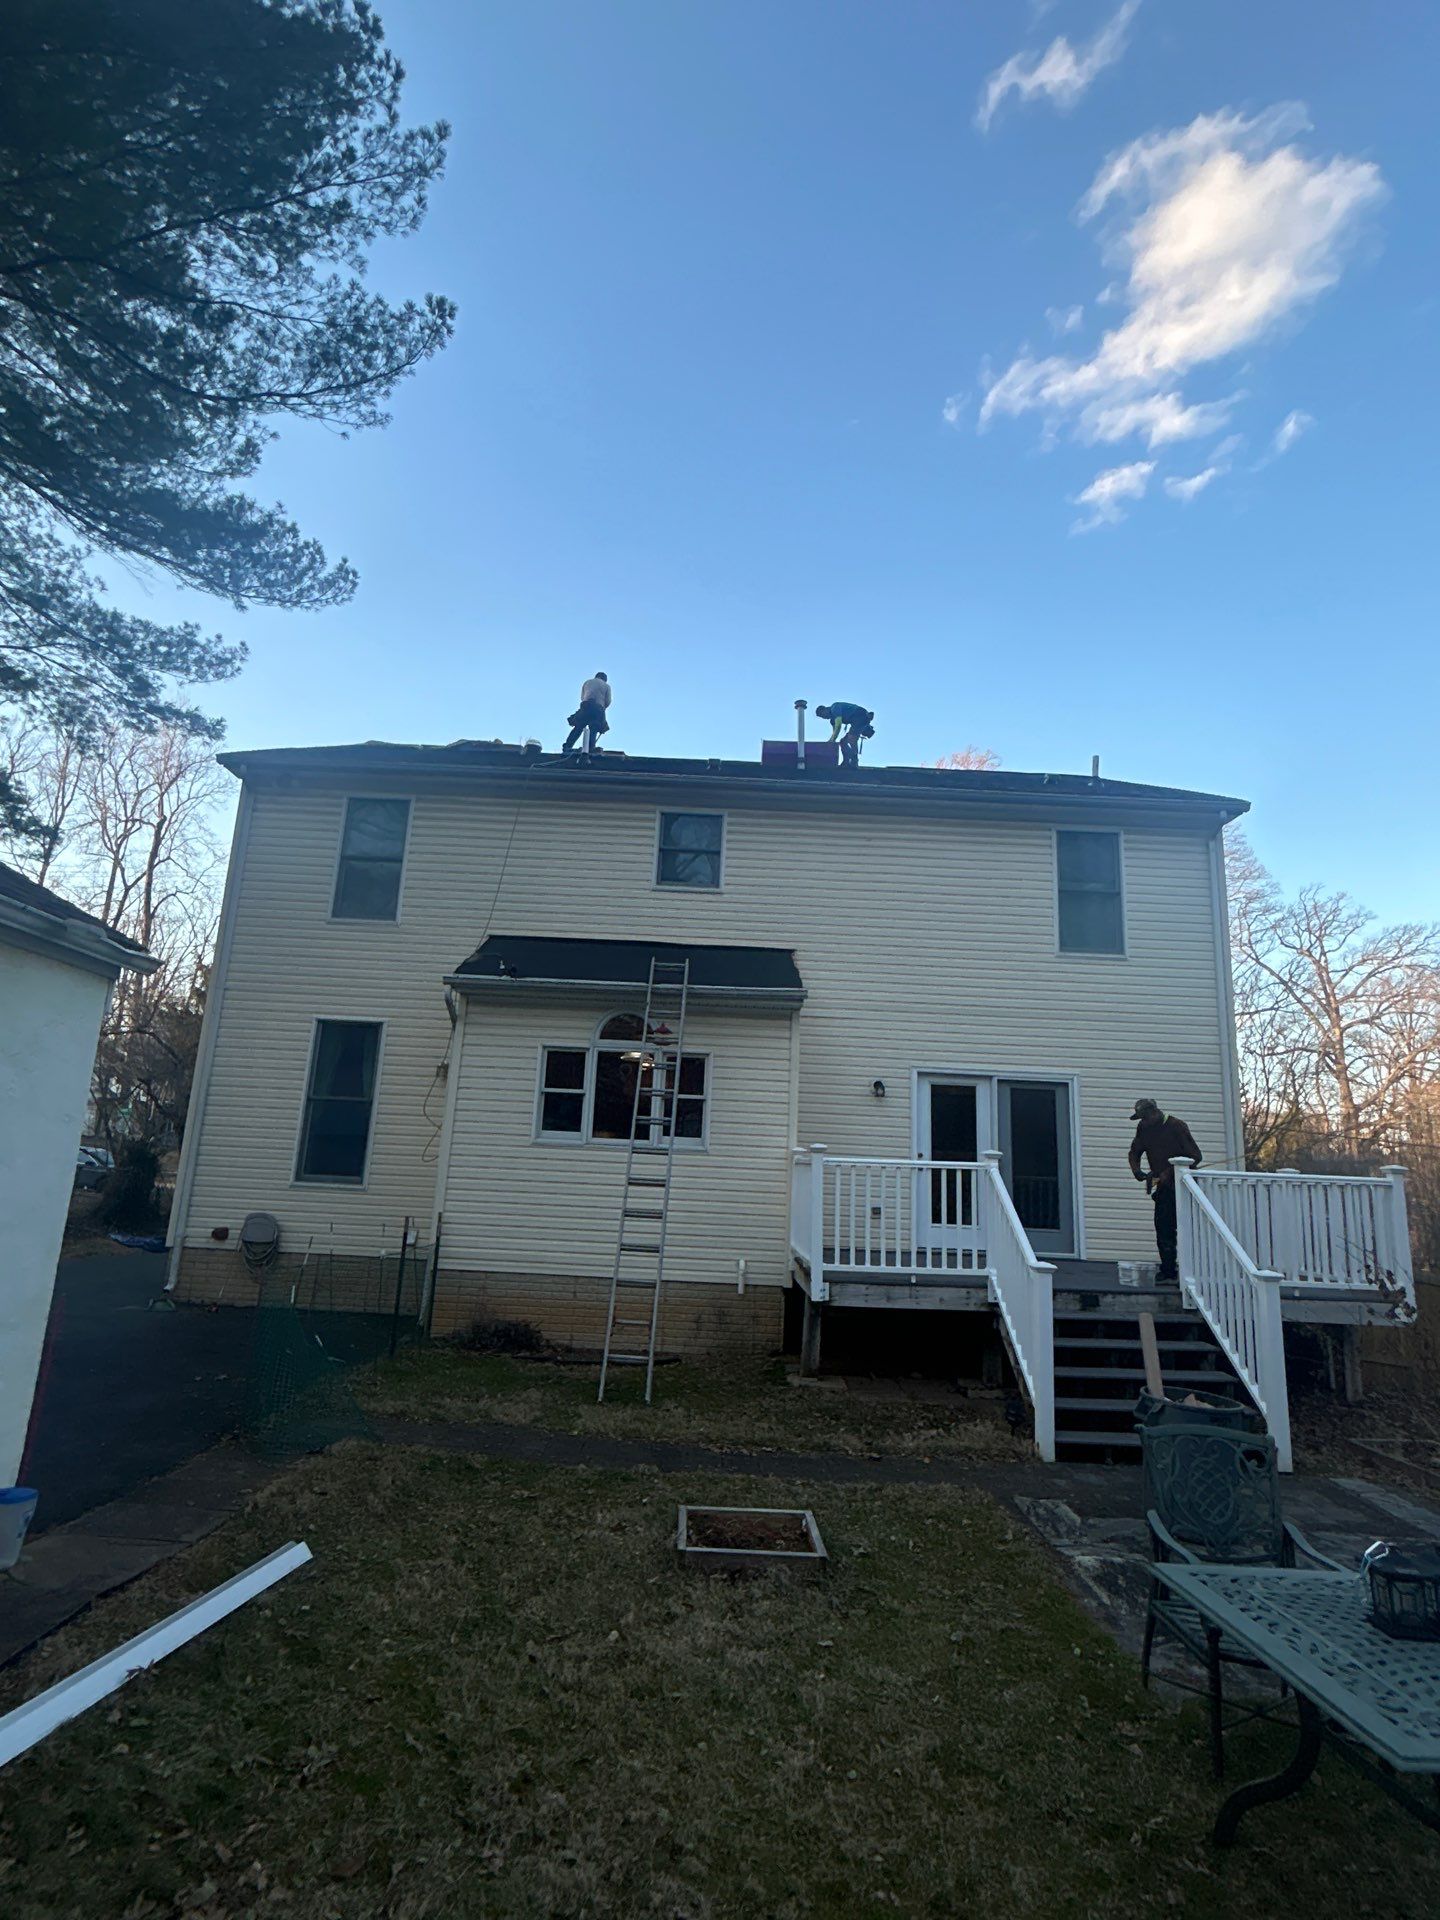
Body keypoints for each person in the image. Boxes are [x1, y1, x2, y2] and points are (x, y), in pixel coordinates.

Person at [1126, 1098, 1202, 1282]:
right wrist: (1136, 1170)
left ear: (1154, 1112)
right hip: (1164, 1189)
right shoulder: (1144, 1128)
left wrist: (1170, 1171)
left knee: (1187, 1229)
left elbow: (1195, 1156)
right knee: (1163, 1228)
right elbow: (1134, 1152)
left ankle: (1192, 1272)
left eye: (1145, 1117)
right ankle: (1168, 1271)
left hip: (1184, 1186)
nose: (1143, 1121)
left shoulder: (1176, 1126)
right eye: (1141, 1119)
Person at [562, 672, 611, 754]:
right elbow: (608, 701)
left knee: (578, 726)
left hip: (585, 706)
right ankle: (591, 747)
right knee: (594, 727)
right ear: (605, 679)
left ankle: (567, 746)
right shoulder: (606, 686)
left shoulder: (587, 682)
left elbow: (582, 697)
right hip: (598, 708)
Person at [815, 701, 875, 768]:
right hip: (857, 720)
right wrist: (831, 741)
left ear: (824, 709)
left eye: (822, 715)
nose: (824, 718)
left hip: (860, 715)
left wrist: (831, 740)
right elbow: (834, 733)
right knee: (843, 742)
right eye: (822, 717)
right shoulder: (832, 720)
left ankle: (854, 761)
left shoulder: (835, 707)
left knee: (851, 738)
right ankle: (846, 761)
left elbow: (838, 726)